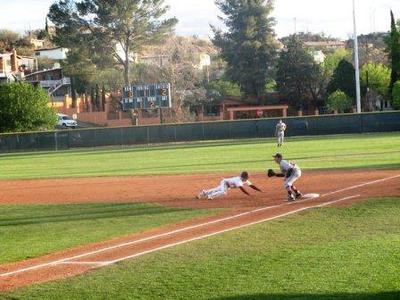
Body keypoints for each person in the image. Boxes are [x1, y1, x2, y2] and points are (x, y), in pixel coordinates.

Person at [197, 172, 262, 200]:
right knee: (223, 192)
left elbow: (252, 185)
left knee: (217, 190)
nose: (247, 178)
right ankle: (210, 196)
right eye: (247, 177)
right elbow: (242, 189)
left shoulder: (244, 180)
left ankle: (204, 192)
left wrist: (259, 190)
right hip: (225, 182)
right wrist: (248, 194)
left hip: (228, 185)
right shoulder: (238, 180)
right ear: (243, 177)